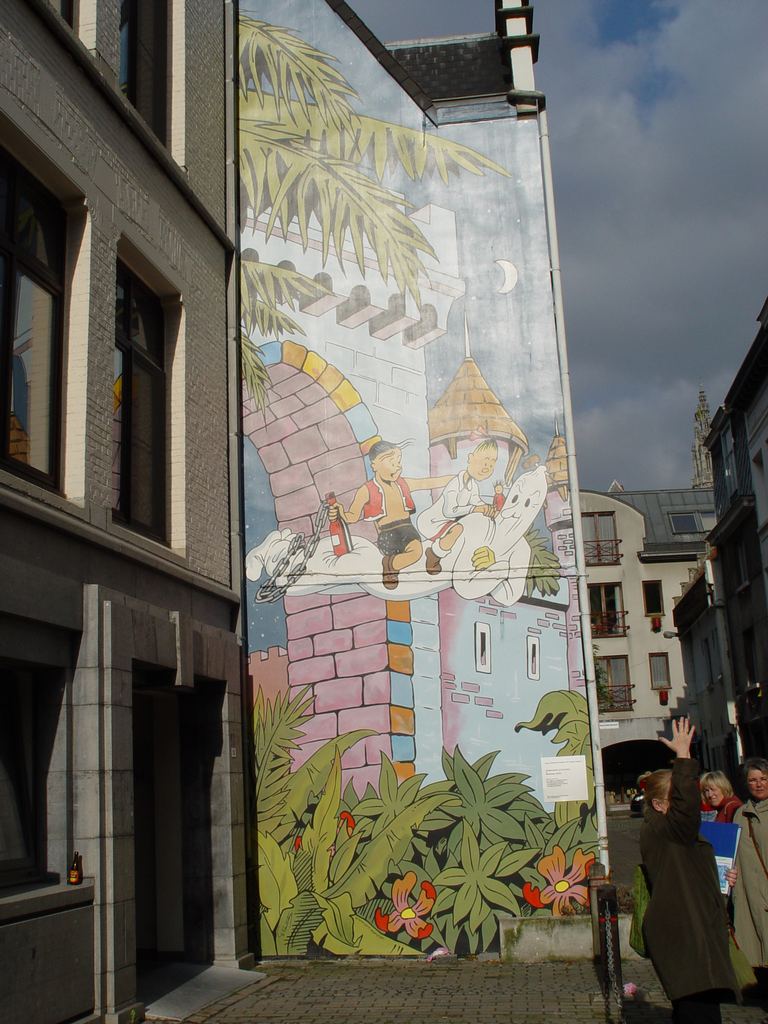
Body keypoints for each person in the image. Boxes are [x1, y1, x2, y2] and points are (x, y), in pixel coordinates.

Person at [640, 717, 738, 1023]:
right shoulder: (669, 830)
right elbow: (686, 811)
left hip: (691, 930)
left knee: (693, 1010)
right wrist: (683, 757)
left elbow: (692, 868)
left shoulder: (668, 831)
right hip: (687, 935)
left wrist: (723, 878)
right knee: (698, 1011)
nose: (691, 801)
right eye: (678, 796)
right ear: (659, 805)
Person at [328, 441, 453, 590]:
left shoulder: (403, 484)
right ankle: (390, 565)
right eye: (391, 462)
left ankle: (399, 563)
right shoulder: (366, 490)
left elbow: (427, 483)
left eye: (398, 461)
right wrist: (340, 512)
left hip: (408, 530)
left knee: (416, 553)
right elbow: (352, 517)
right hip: (388, 534)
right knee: (412, 555)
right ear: (374, 465)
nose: (397, 466)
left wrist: (456, 478)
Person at [415, 439, 499, 575]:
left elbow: (477, 502)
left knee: (468, 527)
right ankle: (433, 555)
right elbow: (449, 511)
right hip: (432, 522)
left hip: (446, 522)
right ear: (471, 458)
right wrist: (475, 509)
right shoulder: (455, 484)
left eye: (491, 464)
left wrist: (488, 509)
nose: (487, 468)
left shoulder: (472, 486)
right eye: (484, 462)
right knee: (458, 529)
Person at [733, 757, 768, 972]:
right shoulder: (740, 814)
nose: (759, 784)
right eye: (753, 780)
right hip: (750, 895)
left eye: (763, 778)